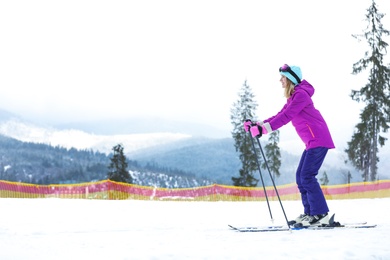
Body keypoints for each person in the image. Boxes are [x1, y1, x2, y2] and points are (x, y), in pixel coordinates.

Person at [243, 64, 335, 227]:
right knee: (301, 177)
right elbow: (279, 114)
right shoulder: (294, 96)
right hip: (312, 142)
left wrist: (262, 130)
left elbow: (286, 117)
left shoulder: (300, 96)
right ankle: (310, 213)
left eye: (283, 77)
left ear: (290, 79)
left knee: (307, 176)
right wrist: (258, 124)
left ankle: (319, 214)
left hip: (318, 140)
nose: (280, 80)